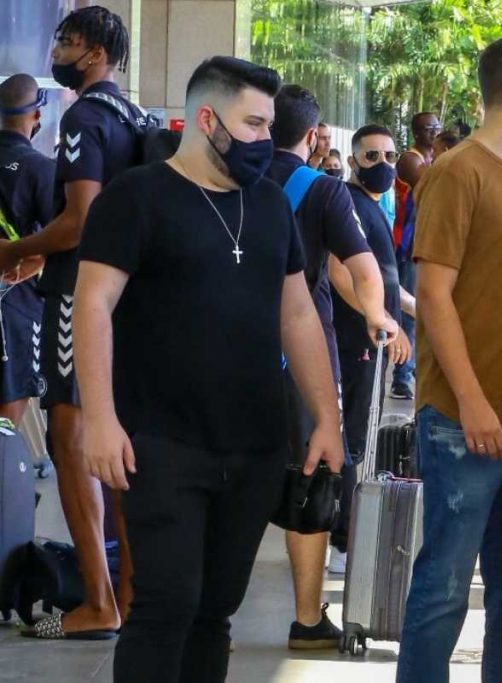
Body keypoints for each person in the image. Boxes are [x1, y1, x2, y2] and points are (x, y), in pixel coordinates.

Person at [72, 56, 344, 682]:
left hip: (253, 444)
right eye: (252, 124)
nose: (263, 140)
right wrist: (101, 418)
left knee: (216, 611)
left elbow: (299, 315)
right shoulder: (136, 197)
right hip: (162, 442)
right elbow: (93, 304)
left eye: (269, 125)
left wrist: (326, 418)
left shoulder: (272, 204)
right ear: (205, 118)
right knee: (167, 604)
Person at [396, 35, 502, 682]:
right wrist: (470, 399)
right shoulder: (457, 173)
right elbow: (434, 297)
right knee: (442, 587)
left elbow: (493, 288)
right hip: (466, 425)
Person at [4, 6, 136, 640]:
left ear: (99, 53)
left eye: (71, 40)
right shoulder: (131, 116)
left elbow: (81, 220)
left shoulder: (85, 116)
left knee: (71, 441)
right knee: (117, 448)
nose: (60, 48)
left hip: (77, 299)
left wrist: (11, 251)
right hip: (124, 298)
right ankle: (129, 595)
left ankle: (99, 604)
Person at [265, 84, 395, 651]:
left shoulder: (222, 178)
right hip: (303, 359)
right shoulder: (322, 190)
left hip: (227, 355)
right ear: (315, 136)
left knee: (227, 480)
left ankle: (209, 622)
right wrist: (378, 315)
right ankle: (307, 618)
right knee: (312, 475)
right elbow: (360, 269)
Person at [326, 124, 415, 575]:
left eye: (389, 155)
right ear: (353, 159)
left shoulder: (375, 206)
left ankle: (350, 534)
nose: (383, 164)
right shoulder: (348, 203)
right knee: (356, 439)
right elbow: (342, 271)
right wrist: (377, 322)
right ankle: (343, 540)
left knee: (366, 435)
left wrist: (418, 314)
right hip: (357, 341)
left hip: (374, 339)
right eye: (372, 156)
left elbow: (383, 277)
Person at [0, 75, 53, 425]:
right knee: (10, 407)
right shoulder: (40, 168)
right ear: (36, 116)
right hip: (16, 304)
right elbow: (63, 236)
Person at [391, 111, 441, 400]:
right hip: (411, 246)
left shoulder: (434, 159)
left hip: (431, 243)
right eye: (427, 128)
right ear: (416, 132)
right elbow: (434, 185)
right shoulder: (410, 160)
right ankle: (402, 376)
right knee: (411, 312)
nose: (433, 132)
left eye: (436, 127)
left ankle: (422, 372)